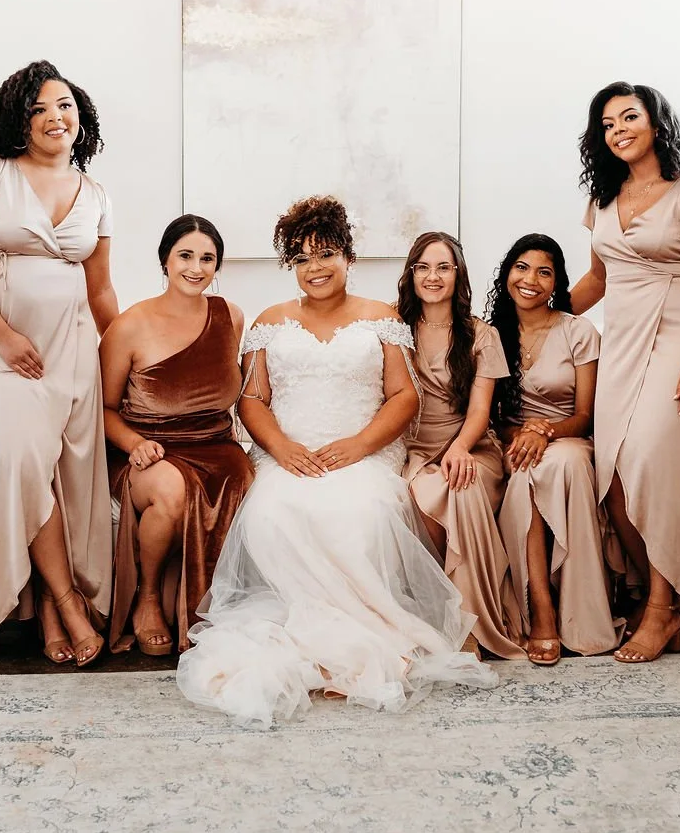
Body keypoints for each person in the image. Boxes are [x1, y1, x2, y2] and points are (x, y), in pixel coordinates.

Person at [176, 195, 496, 726]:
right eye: (301, 258)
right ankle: (306, 633)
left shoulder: (381, 318)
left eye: (325, 254)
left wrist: (359, 446)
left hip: (363, 452)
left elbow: (403, 397)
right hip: (291, 453)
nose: (314, 267)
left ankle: (367, 628)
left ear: (348, 256)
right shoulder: (270, 321)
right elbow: (252, 400)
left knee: (360, 512)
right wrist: (280, 448)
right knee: (272, 512)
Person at [0, 60, 117, 663]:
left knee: (62, 476)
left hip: (72, 353)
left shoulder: (95, 194)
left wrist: (127, 354)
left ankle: (46, 613)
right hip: (3, 352)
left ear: (80, 115)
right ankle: (65, 601)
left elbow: (102, 292)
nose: (52, 117)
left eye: (63, 104)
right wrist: (2, 334)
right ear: (19, 117)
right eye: (37, 108)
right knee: (23, 466)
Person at [572, 82, 680, 664]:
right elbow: (596, 280)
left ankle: (661, 608)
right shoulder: (602, 201)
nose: (619, 130)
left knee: (650, 461)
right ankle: (659, 594)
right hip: (624, 341)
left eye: (629, 117)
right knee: (610, 475)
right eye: (608, 124)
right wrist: (524, 315)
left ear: (657, 124)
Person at [99, 215, 254, 656]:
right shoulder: (129, 325)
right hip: (148, 451)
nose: (196, 267)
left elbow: (241, 392)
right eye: (186, 255)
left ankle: (224, 603)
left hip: (217, 446)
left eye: (208, 258)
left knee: (250, 479)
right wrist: (134, 444)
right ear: (165, 259)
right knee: (171, 488)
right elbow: (104, 410)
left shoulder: (231, 317)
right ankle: (147, 597)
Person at [490, 235, 619, 664]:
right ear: (508, 273)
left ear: (558, 283)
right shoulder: (490, 335)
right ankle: (541, 611)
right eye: (522, 268)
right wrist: (521, 436)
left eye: (544, 272)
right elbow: (490, 416)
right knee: (526, 471)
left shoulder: (578, 331)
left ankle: (580, 616)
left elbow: (586, 415)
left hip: (569, 437)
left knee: (563, 463)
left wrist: (545, 431)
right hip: (513, 442)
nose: (531, 280)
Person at [397, 232, 523, 659]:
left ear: (458, 274)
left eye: (444, 267)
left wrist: (459, 449)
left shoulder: (481, 335)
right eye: (424, 267)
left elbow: (480, 412)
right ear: (412, 273)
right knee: (421, 491)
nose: (433, 276)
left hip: (469, 445)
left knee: (461, 487)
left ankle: (472, 620)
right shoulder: (393, 328)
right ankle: (437, 615)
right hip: (412, 448)